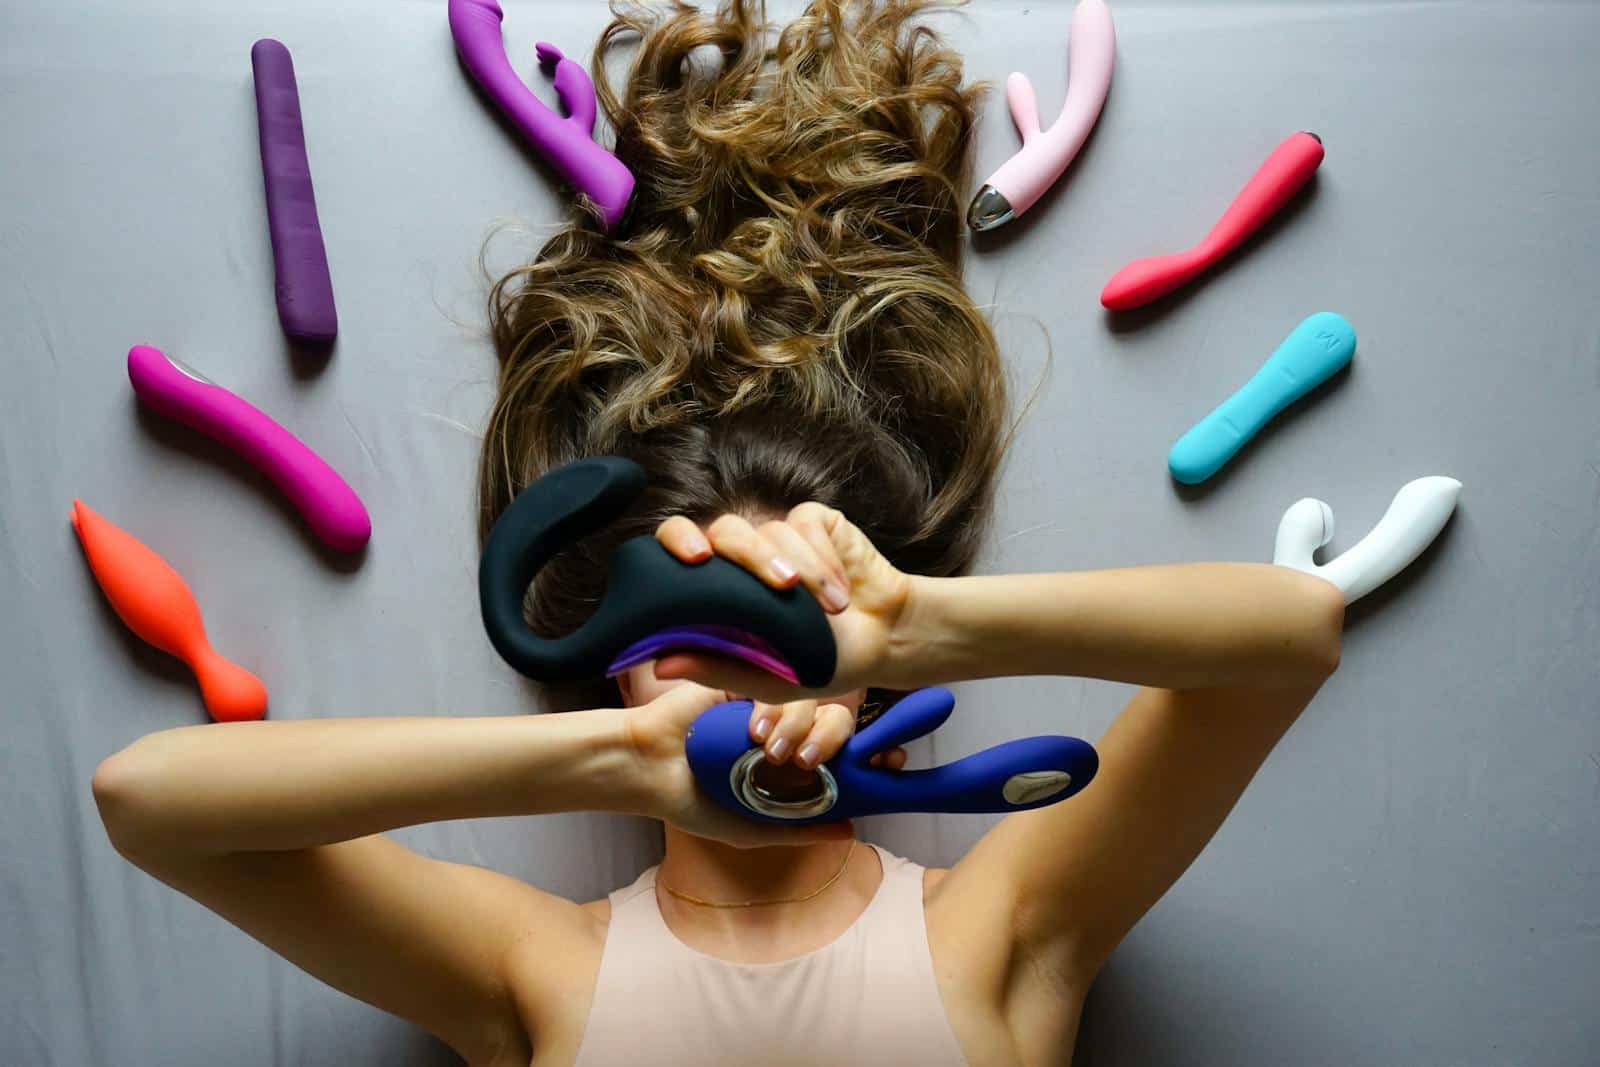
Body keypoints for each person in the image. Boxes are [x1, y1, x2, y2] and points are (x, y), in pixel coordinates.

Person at [92, 2, 1344, 1063]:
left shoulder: (1001, 929)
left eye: (787, 610)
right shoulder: (536, 969)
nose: (743, 641)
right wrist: (618, 759)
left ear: (865, 680)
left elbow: (1293, 631)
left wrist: (914, 621)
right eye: (695, 618)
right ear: (617, 653)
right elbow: (146, 799)